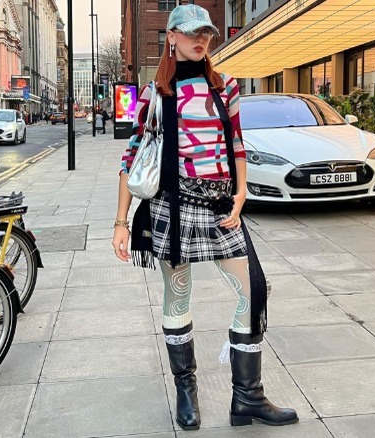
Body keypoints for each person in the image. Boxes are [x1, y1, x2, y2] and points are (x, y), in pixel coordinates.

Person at [112, 4, 298, 430]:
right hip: (172, 210)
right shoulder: (155, 94)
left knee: (254, 291)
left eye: (208, 33)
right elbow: (132, 157)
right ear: (172, 37)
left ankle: (247, 398)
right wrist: (121, 222)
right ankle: (186, 390)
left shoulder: (226, 87)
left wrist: (242, 193)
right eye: (193, 32)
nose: (202, 39)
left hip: (218, 208)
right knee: (178, 296)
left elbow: (236, 145)